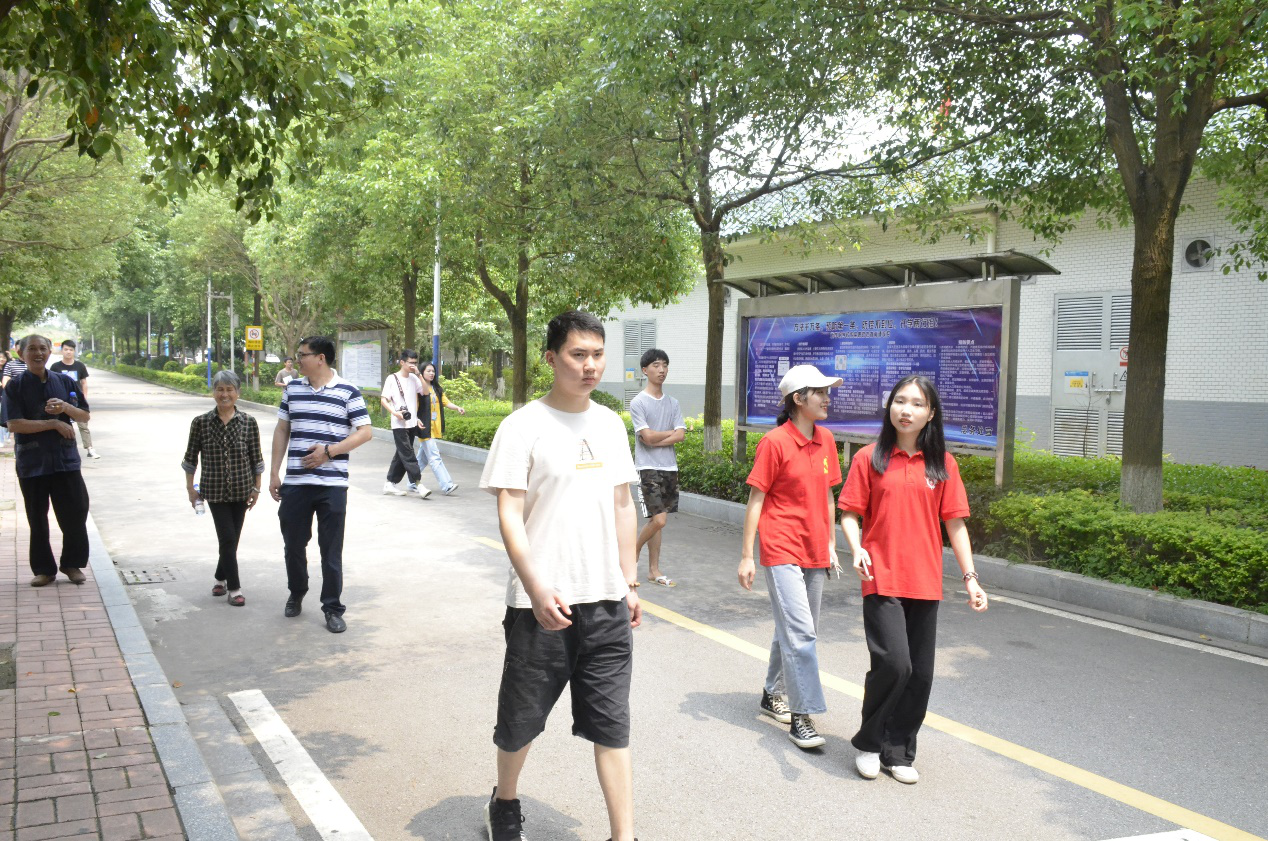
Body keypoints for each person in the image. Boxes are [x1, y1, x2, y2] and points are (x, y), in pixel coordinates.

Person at [478, 310, 641, 841]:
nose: (590, 365)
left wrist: (629, 581)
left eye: (597, 355)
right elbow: (509, 512)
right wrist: (535, 586)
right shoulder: (522, 426)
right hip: (541, 605)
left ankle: (623, 835)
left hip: (606, 604)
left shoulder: (610, 425)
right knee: (520, 721)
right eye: (578, 354)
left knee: (612, 726)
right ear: (551, 358)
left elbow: (623, 504)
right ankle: (504, 802)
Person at [838, 374, 989, 785]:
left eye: (917, 404)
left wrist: (971, 578)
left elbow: (955, 523)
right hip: (881, 576)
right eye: (900, 401)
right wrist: (857, 548)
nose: (906, 410)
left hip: (925, 580)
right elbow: (849, 513)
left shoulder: (943, 465)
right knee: (893, 664)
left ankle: (898, 751)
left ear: (931, 413)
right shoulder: (869, 457)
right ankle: (870, 743)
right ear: (889, 407)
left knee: (920, 674)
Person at [738, 364, 843, 751]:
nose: (827, 399)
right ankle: (803, 715)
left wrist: (830, 543)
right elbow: (756, 500)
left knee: (798, 628)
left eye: (827, 392)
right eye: (820, 392)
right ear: (798, 399)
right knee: (801, 633)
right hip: (781, 546)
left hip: (815, 547)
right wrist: (747, 556)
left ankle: (773, 692)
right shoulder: (775, 443)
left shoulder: (826, 439)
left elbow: (828, 495)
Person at [268, 336, 373, 634]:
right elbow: (282, 429)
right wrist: (274, 472)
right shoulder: (292, 389)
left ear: (321, 358)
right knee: (293, 544)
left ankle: (332, 607)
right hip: (296, 483)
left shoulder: (348, 391)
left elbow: (365, 431)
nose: (297, 359)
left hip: (332, 485)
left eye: (303, 355)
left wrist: (329, 452)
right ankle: (297, 591)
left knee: (331, 550)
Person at [1, 335, 92, 586]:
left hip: (65, 460)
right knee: (37, 518)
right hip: (33, 462)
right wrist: (52, 423)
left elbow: (84, 416)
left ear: (50, 352)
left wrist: (65, 408)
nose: (38, 353)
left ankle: (72, 564)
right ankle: (44, 569)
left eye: (43, 348)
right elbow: (14, 424)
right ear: (21, 354)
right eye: (32, 349)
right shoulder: (14, 387)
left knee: (76, 513)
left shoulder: (64, 381)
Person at [182, 370, 265, 606]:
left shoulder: (249, 422)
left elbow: (256, 458)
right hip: (214, 491)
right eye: (220, 389)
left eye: (229, 389)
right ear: (214, 392)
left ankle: (220, 578)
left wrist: (256, 488)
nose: (224, 394)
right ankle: (234, 589)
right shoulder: (201, 423)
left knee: (231, 540)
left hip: (242, 490)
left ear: (237, 393)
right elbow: (190, 459)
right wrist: (190, 489)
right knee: (228, 538)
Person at [629, 348, 686, 587]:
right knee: (659, 520)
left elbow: (680, 435)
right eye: (656, 365)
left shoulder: (673, 403)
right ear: (645, 370)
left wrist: (655, 438)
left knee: (657, 520)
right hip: (647, 468)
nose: (661, 370)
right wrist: (664, 435)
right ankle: (632, 551)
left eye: (664, 365)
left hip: (669, 467)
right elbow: (647, 437)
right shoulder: (638, 402)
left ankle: (653, 570)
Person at [380, 349, 430, 499]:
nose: (413, 365)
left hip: (412, 423)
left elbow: (426, 392)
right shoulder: (392, 378)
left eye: (415, 363)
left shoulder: (414, 378)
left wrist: (419, 375)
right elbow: (384, 399)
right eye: (411, 363)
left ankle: (389, 483)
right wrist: (395, 413)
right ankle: (418, 483)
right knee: (408, 454)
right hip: (399, 424)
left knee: (401, 454)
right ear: (402, 362)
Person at [414, 360, 465, 495]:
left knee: (423, 459)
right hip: (424, 427)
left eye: (433, 371)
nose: (432, 373)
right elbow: (414, 407)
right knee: (434, 456)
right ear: (422, 373)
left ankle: (412, 481)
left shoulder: (436, 388)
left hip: (434, 427)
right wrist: (416, 419)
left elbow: (446, 402)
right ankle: (447, 485)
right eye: (428, 371)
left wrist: (457, 408)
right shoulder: (419, 389)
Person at [50, 340, 99, 459]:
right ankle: (60, 450)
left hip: (77, 400)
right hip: (61, 400)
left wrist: (84, 398)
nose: (68, 352)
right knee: (61, 424)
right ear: (62, 350)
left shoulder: (79, 366)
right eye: (66, 349)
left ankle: (89, 448)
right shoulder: (55, 367)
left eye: (71, 350)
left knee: (83, 425)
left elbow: (84, 382)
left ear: (74, 351)